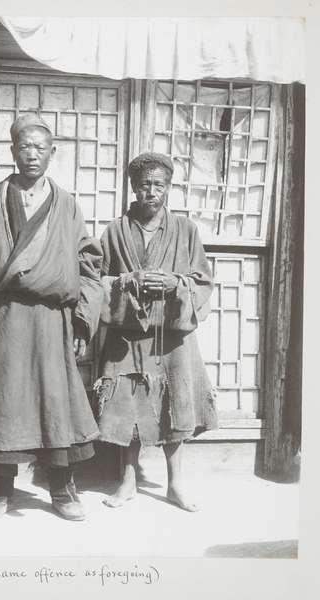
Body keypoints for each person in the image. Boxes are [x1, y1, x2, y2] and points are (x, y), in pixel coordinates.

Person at [0, 114, 103, 521]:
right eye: (24, 147)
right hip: (6, 318)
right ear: (13, 151)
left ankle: (62, 489)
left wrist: (82, 319)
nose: (32, 154)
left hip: (54, 321)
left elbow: (90, 268)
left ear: (52, 153)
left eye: (40, 148)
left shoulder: (66, 205)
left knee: (57, 402)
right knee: (4, 401)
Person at [95, 152, 218, 511]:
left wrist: (175, 283)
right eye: (144, 184)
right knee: (127, 404)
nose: (151, 191)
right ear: (134, 188)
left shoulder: (186, 230)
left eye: (159, 185)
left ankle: (175, 483)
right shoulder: (115, 231)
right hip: (128, 334)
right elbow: (97, 281)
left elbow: (203, 280)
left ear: (169, 188)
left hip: (173, 337)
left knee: (174, 403)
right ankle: (128, 481)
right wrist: (127, 281)